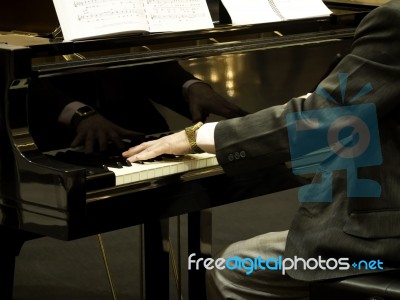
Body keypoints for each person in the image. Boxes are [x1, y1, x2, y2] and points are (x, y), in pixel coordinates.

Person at [123, 1, 400, 299]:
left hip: (387, 240)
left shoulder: (393, 19)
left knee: (233, 269)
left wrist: (197, 135)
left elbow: (322, 118)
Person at [29, 61, 247, 153]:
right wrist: (77, 113)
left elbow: (140, 58)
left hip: (138, 125)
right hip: (51, 129)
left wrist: (190, 86)